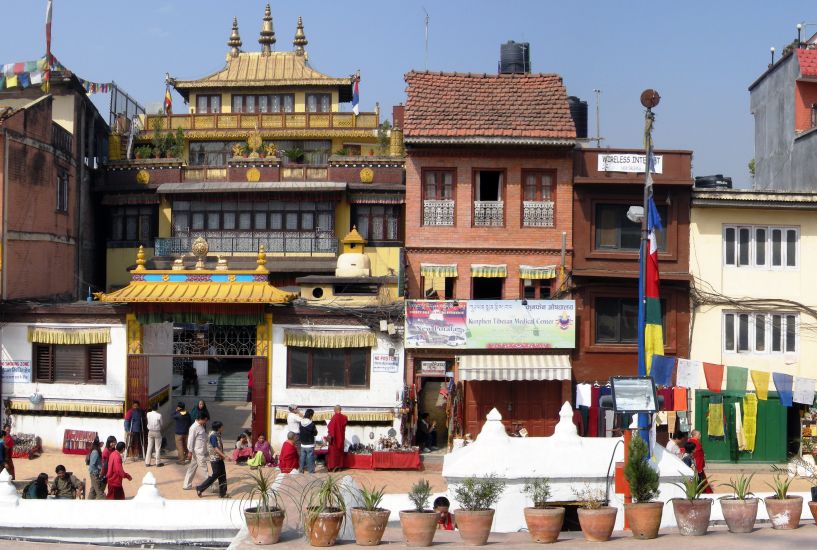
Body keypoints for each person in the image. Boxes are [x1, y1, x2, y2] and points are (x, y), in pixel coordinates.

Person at [196, 420, 231, 498]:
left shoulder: (217, 434)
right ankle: (200, 488)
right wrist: (225, 456)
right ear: (219, 428)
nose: (223, 428)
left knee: (222, 475)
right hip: (215, 459)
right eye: (222, 426)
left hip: (219, 458)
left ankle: (223, 493)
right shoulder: (213, 436)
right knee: (215, 475)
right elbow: (215, 448)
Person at [183, 414, 210, 490]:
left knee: (192, 468)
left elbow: (204, 437)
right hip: (198, 452)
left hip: (199, 451)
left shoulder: (201, 426)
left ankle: (186, 485)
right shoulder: (194, 427)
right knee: (204, 469)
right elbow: (190, 440)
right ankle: (210, 486)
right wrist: (190, 451)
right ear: (202, 419)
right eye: (206, 420)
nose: (206, 422)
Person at [688, 430, 713, 494]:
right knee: (700, 482)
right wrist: (699, 469)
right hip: (697, 467)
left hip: (692, 465)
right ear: (694, 435)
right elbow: (698, 457)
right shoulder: (697, 444)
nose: (700, 436)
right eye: (699, 435)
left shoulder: (689, 441)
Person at [326, 405, 348, 472]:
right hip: (341, 437)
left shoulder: (334, 417)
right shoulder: (344, 417)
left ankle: (333, 467)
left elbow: (330, 427)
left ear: (335, 410)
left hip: (334, 439)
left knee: (333, 453)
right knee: (340, 452)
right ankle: (340, 466)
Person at [299, 409, 318, 474]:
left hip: (302, 443)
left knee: (302, 458)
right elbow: (315, 433)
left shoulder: (300, 423)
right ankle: (311, 471)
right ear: (311, 415)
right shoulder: (312, 424)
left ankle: (301, 470)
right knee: (310, 459)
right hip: (310, 444)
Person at [145, 402, 164, 467]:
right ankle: (157, 462)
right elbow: (161, 424)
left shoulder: (148, 414)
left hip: (150, 432)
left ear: (151, 407)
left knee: (149, 447)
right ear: (157, 407)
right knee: (157, 448)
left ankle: (147, 462)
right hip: (157, 432)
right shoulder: (159, 415)